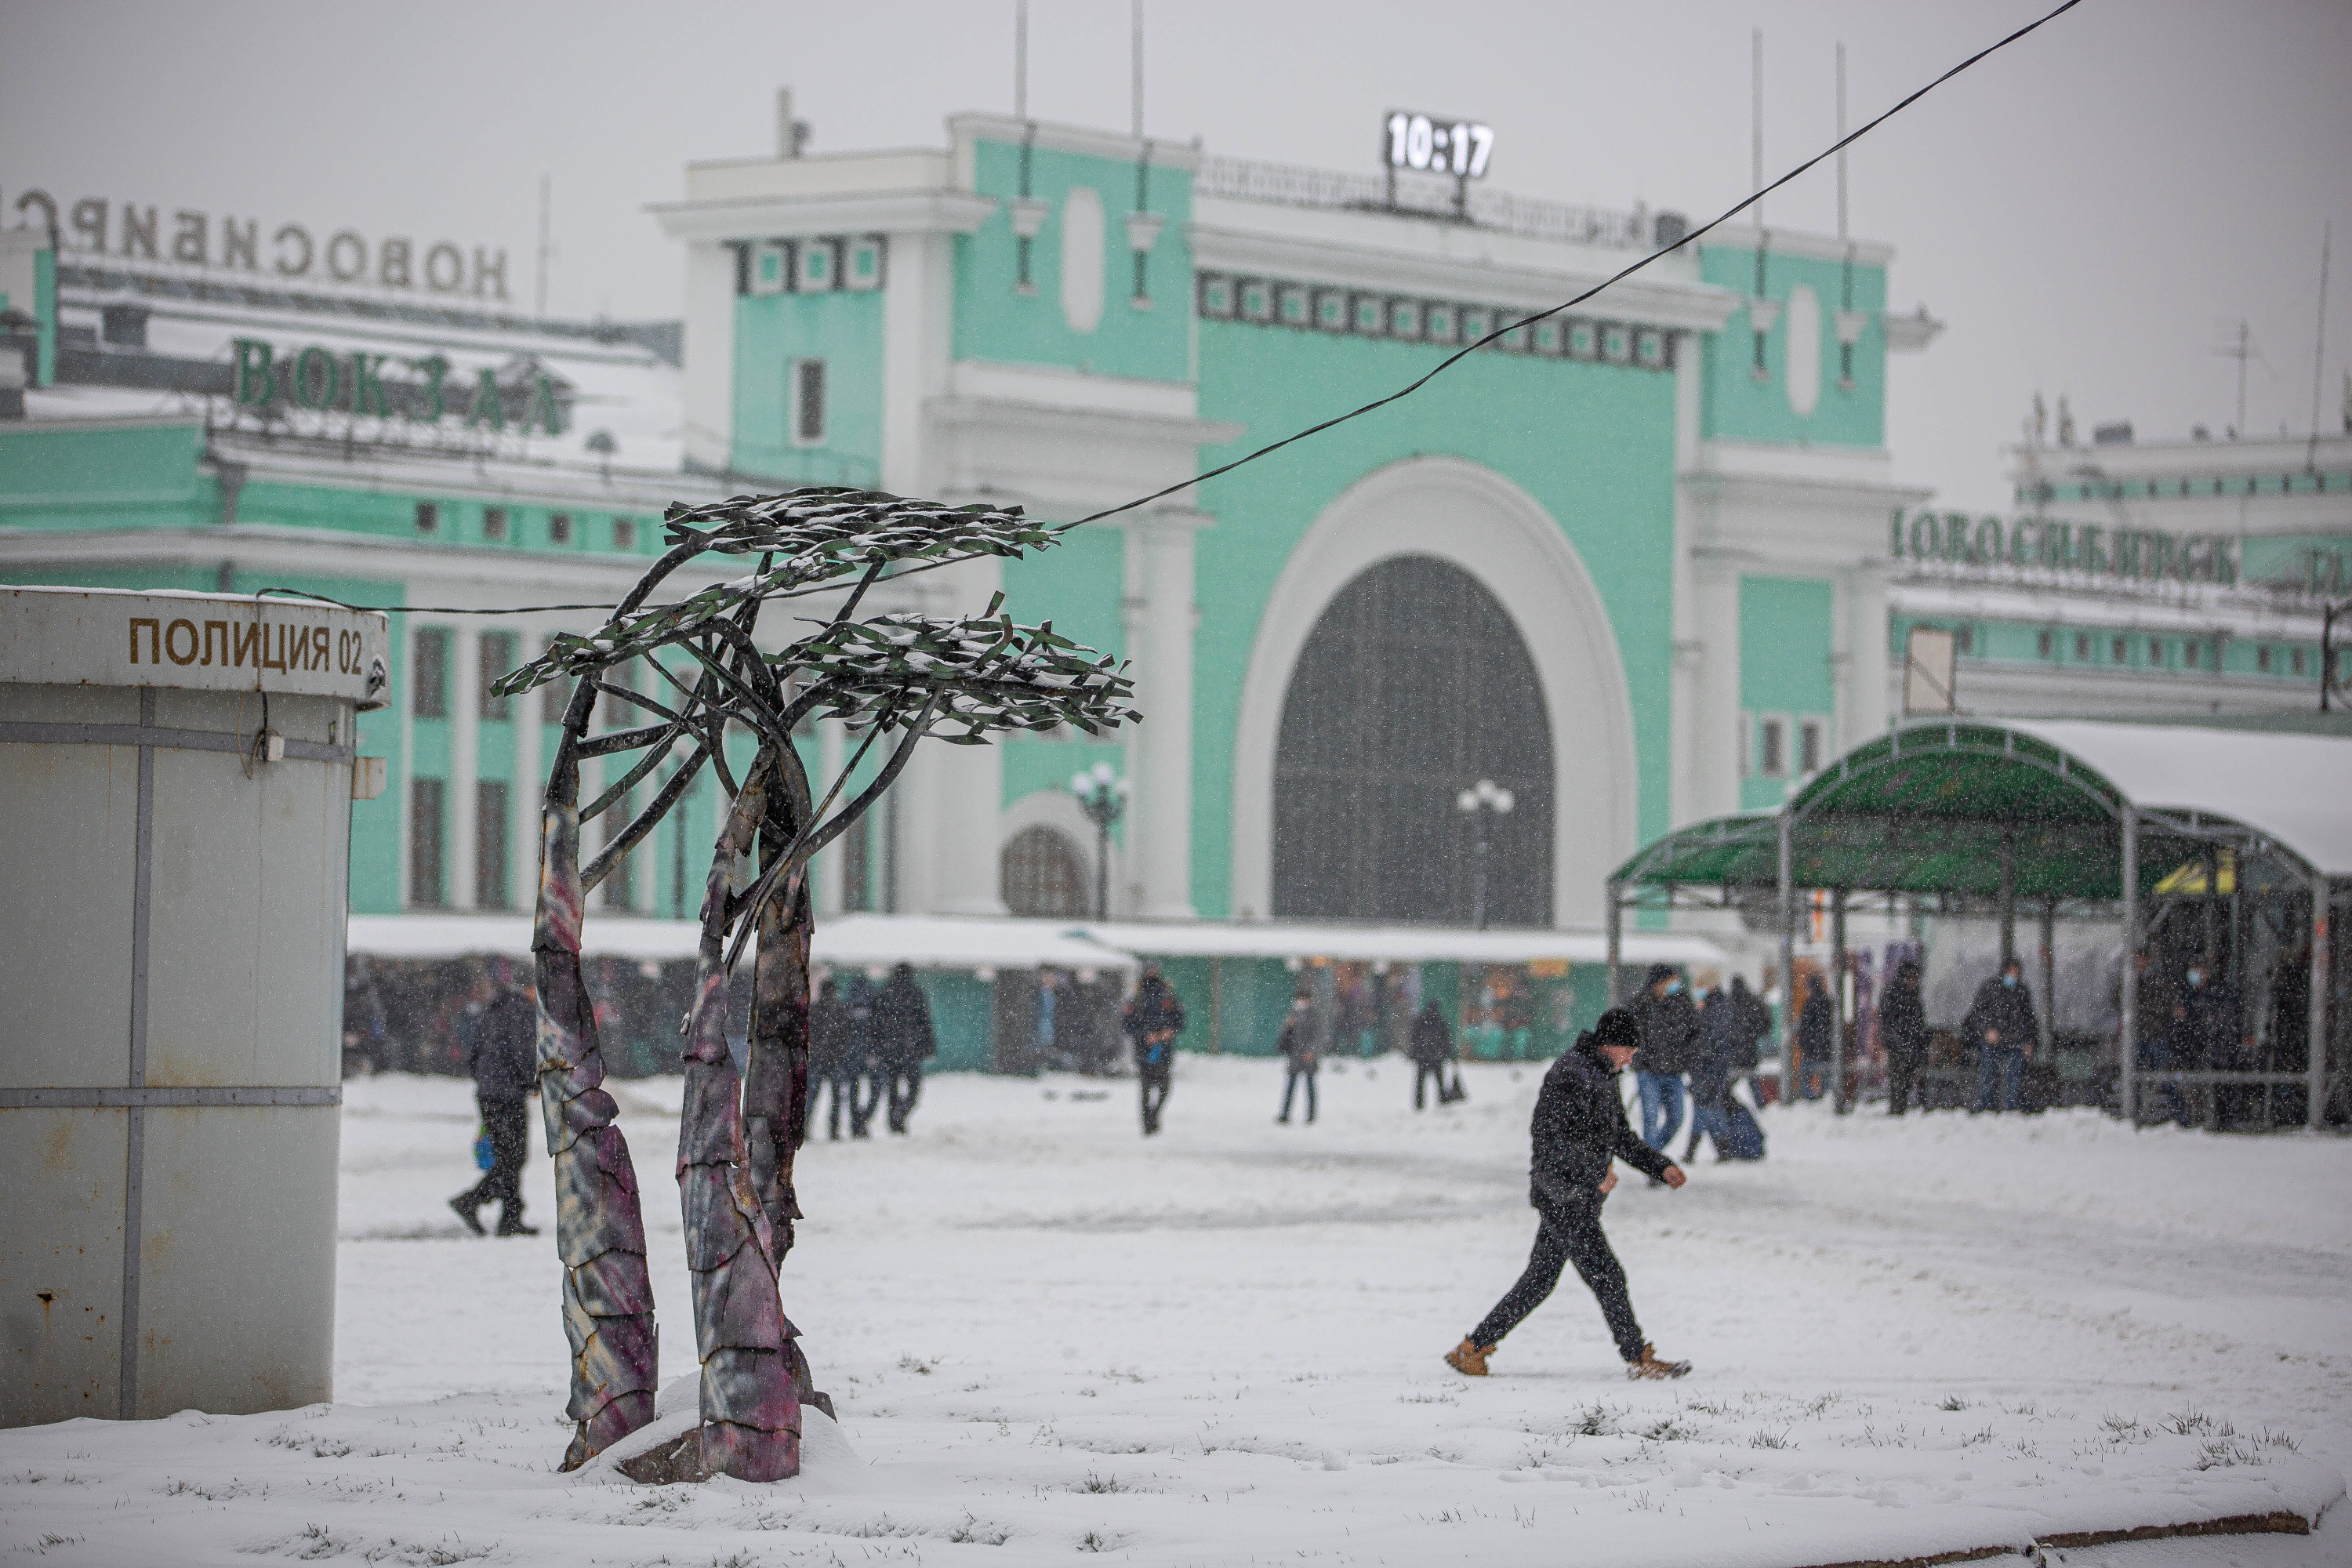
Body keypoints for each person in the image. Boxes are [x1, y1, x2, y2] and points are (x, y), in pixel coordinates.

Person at [1444, 1007, 1692, 1382]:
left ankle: (1473, 1348)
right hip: (1563, 1193)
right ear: (1611, 1044)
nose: (1632, 1057)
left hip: (1575, 1193)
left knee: (1540, 1279)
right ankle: (1638, 1357)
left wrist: (1660, 1166)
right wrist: (1595, 1174)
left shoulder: (1606, 1076)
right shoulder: (1570, 1074)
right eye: (1629, 1049)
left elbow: (1618, 1137)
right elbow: (1553, 1140)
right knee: (1607, 1275)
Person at [449, 969, 539, 1237]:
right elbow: (522, 1052)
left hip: (490, 1093)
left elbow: (475, 1051)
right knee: (514, 1157)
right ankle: (471, 1201)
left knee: (508, 1156)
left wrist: (484, 1080)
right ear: (531, 989)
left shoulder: (495, 1009)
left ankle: (510, 1218)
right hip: (507, 1094)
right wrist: (532, 1082)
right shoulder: (521, 1011)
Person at [1629, 964, 1697, 1152]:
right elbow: (1628, 1034)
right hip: (1649, 1072)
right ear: (1658, 983)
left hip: (1673, 1072)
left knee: (1676, 1118)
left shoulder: (1681, 1003)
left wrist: (1686, 1057)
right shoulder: (1640, 1005)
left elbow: (1694, 1032)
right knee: (1650, 1119)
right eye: (1671, 981)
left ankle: (1652, 1153)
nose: (1675, 985)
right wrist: (1639, 1059)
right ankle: (1653, 1165)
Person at [1963, 955, 2038, 1114]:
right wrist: (1987, 1031)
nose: (2013, 976)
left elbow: (2029, 1019)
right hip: (1993, 1043)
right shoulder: (1991, 989)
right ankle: (1986, 1111)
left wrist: (2029, 1041)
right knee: (1988, 1079)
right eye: (2011, 971)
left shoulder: (2021, 992)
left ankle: (2011, 1111)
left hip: (2014, 1043)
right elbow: (1977, 1014)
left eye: (2016, 972)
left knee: (2013, 1081)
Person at [872, 963, 936, 1134]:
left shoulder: (885, 993)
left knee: (893, 1088)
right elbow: (924, 1021)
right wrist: (928, 1047)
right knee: (913, 1089)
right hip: (910, 1050)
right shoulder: (914, 993)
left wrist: (876, 1048)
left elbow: (875, 1025)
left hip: (890, 1050)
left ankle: (894, 1119)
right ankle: (899, 1116)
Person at [1123, 964, 1185, 1135]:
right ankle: (1147, 1125)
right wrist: (1145, 1035)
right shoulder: (1136, 997)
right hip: (1144, 1051)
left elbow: (1180, 1019)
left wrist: (1169, 1031)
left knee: (1164, 1086)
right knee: (1145, 1088)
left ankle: (1154, 1115)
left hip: (1164, 1050)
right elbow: (1127, 1024)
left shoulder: (1168, 995)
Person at [809, 976, 858, 1141]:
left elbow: (808, 1035)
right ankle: (833, 1130)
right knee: (836, 1098)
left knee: (812, 1098)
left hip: (817, 1060)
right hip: (835, 1060)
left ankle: (805, 1129)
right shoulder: (841, 1010)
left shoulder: (814, 1010)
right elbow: (848, 1035)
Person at [1880, 960, 1929, 1116]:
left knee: (1906, 1080)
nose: (1913, 982)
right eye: (1910, 978)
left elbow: (1918, 1021)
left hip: (1910, 1045)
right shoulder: (1893, 995)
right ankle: (1897, 1108)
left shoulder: (1912, 997)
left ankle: (1901, 1107)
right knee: (1898, 1080)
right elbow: (1888, 1023)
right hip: (1898, 1046)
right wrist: (1898, 1043)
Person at [1276, 993, 1318, 1124]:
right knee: (1290, 1085)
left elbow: (1318, 1035)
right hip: (1295, 1055)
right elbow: (1287, 1036)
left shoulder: (1314, 1015)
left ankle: (1311, 1115)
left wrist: (1311, 1051)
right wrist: (1289, 1026)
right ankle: (1285, 1114)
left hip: (1307, 1056)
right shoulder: (1293, 1014)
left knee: (1309, 1085)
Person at [1409, 998, 1456, 1111]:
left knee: (1421, 1082)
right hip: (1435, 1057)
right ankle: (1442, 1101)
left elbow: (1414, 1039)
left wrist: (1416, 1052)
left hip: (1424, 1057)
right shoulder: (1440, 1022)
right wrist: (1446, 1053)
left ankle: (1419, 1104)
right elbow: (1446, 1040)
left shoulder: (1421, 1021)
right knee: (1438, 1081)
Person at [1794, 973, 1835, 1102]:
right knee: (1825, 1074)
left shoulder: (1809, 1003)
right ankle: (1825, 1096)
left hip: (1811, 1046)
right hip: (1825, 1045)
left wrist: (1803, 1041)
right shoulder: (1827, 1002)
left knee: (1806, 1072)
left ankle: (1810, 1098)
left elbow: (1806, 1025)